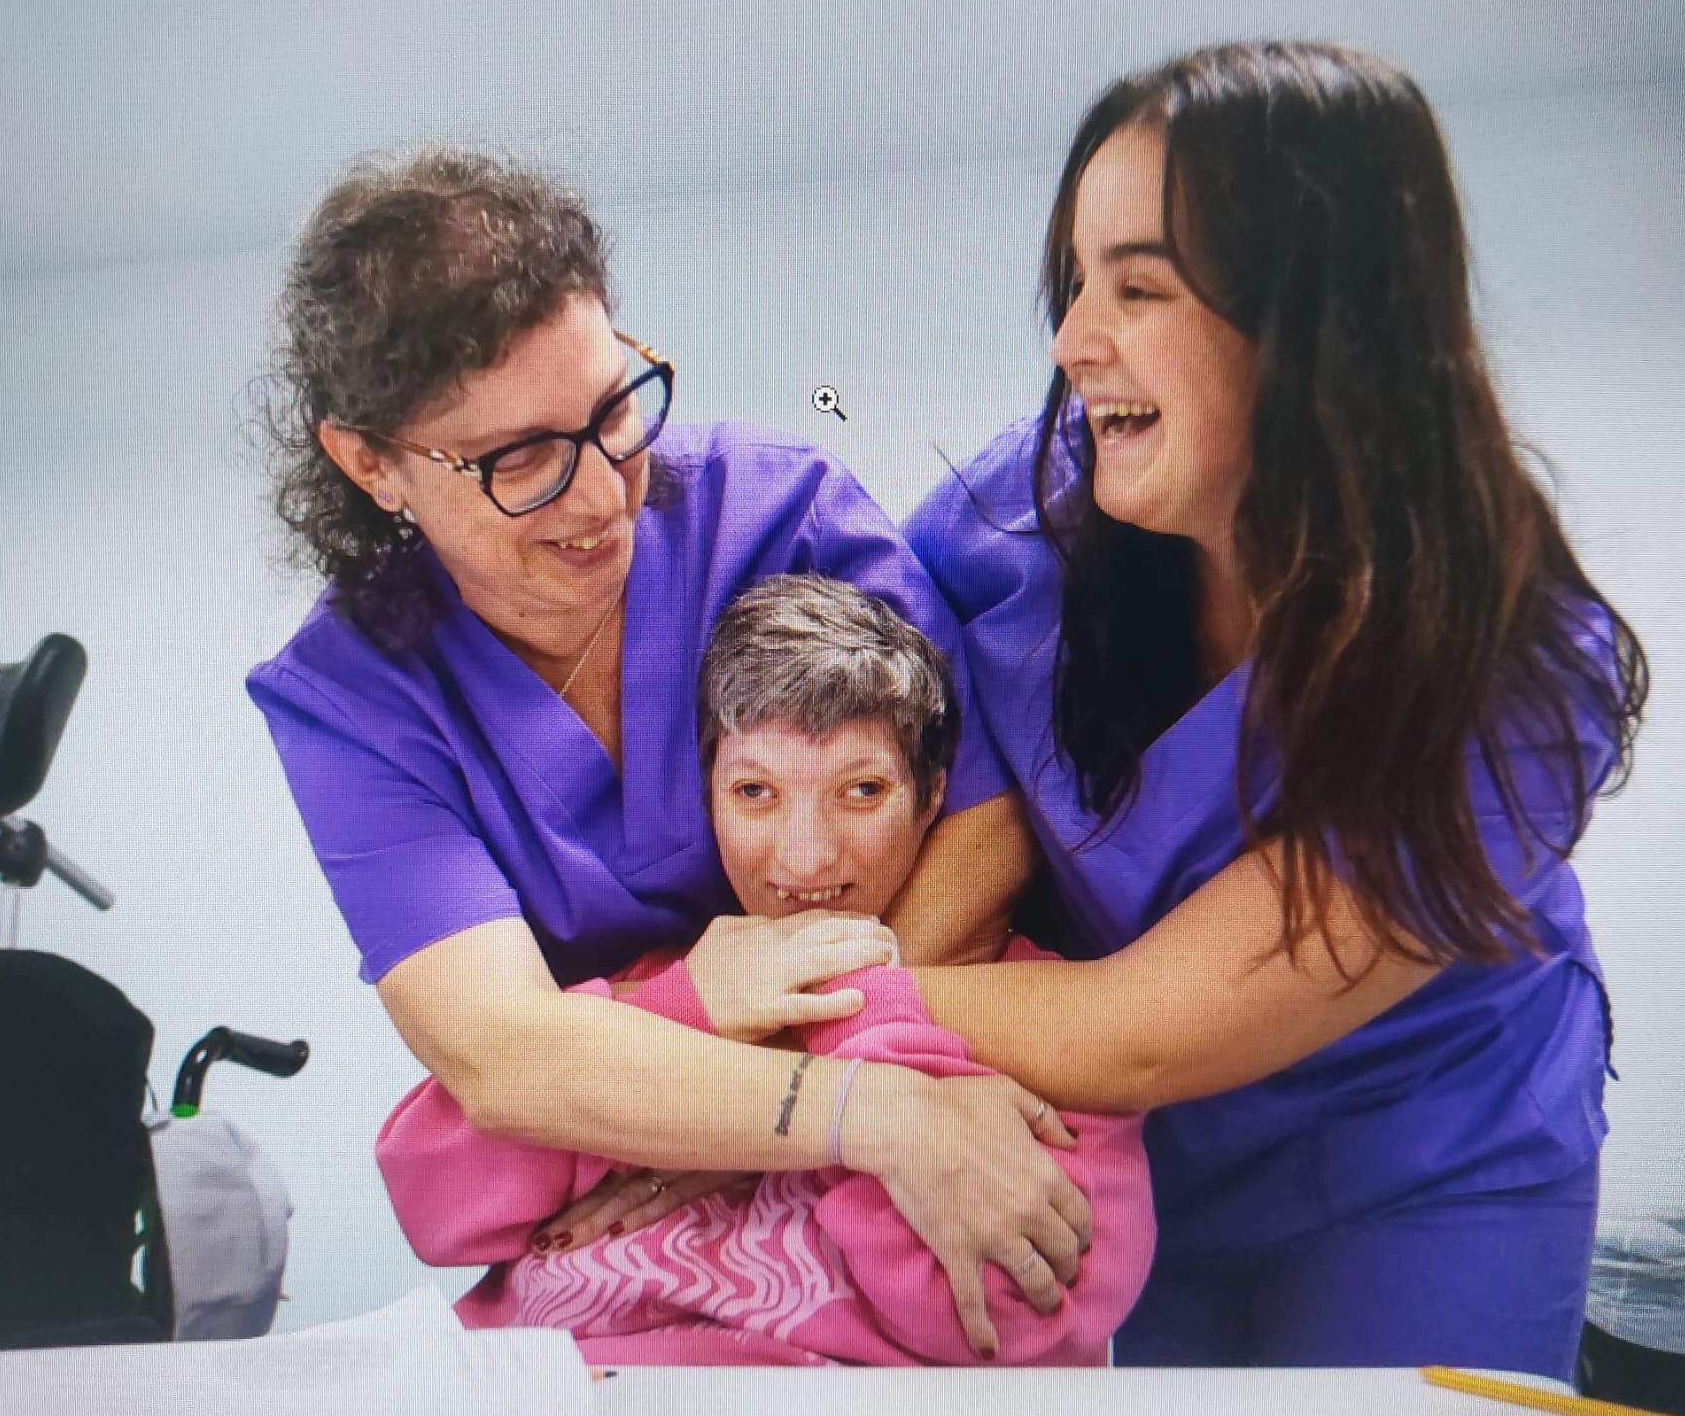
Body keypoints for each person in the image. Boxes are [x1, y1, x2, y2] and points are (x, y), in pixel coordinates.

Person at [244, 149, 1088, 1361]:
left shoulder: (779, 513)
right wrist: (837, 1111)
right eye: (519, 459)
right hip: (638, 1194)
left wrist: (771, 1102)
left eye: (613, 410)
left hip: (879, 1097)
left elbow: (982, 819)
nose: (602, 496)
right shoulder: (350, 698)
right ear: (371, 463)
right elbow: (499, 1054)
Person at [894, 41, 1648, 1378]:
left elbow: (1135, 1033)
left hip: (1426, 1158)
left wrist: (808, 1012)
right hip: (1147, 1167)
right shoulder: (1015, 524)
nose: (1071, 342)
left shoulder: (1515, 679)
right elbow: (836, 710)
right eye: (1075, 282)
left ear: (1322, 330)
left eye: (1138, 286)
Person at [374, 575, 1155, 1366]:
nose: (806, 857)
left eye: (862, 790)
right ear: (709, 799)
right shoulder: (687, 979)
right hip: (536, 1399)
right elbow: (432, 1200)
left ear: (931, 800)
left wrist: (852, 1017)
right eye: (755, 792)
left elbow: (1002, 1318)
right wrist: (688, 1007)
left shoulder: (1033, 1019)